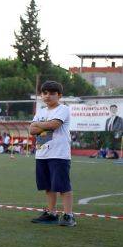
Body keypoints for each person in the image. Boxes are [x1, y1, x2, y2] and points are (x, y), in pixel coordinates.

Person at [29, 81, 76, 227]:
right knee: (48, 186)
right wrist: (43, 125)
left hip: (59, 154)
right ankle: (52, 213)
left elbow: (54, 125)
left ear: (59, 95)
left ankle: (68, 215)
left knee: (62, 186)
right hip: (42, 153)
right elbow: (31, 130)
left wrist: (39, 125)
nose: (47, 96)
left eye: (52, 93)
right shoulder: (41, 111)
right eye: (45, 93)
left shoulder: (63, 109)